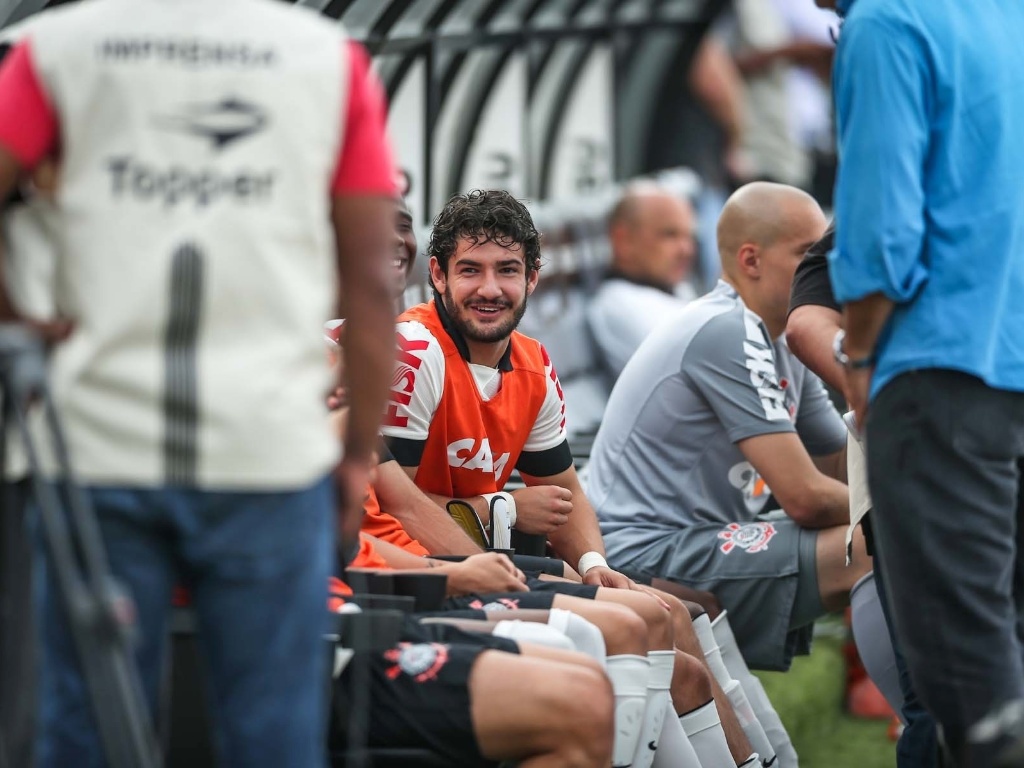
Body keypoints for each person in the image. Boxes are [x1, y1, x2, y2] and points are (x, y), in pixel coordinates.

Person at [0, 2, 398, 765]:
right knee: (270, 736)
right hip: (268, 450)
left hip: (96, 444)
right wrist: (353, 454)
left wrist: (16, 316)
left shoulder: (56, 46)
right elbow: (370, 280)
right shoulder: (325, 59)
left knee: (89, 735)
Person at [820, 0, 1024, 763]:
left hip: (939, 376)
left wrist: (860, 356)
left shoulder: (886, 25)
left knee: (968, 680)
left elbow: (881, 232)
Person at [588, 182, 871, 675]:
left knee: (892, 533)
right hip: (640, 553)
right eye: (809, 254)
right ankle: (928, 711)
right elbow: (804, 497)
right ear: (751, 260)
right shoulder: (727, 331)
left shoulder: (780, 334)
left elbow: (839, 467)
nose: (829, 270)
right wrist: (916, 502)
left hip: (695, 537)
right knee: (883, 542)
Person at [785, 226, 938, 765]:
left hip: (931, 481)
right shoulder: (893, 193)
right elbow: (806, 322)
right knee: (943, 700)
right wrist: (874, 379)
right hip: (927, 483)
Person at [587, 184, 699, 380]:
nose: (686, 250)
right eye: (670, 234)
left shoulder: (677, 288)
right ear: (624, 240)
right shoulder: (619, 303)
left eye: (689, 236)